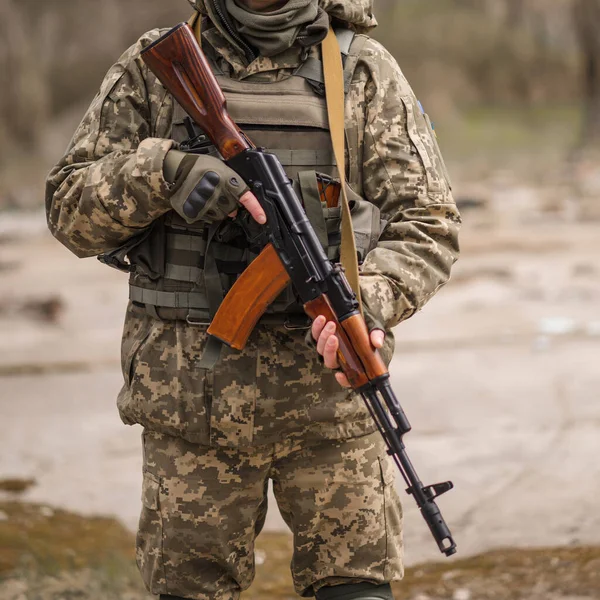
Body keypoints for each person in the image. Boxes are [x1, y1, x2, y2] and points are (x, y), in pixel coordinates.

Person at [45, 0, 460, 598]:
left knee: (357, 591)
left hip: (333, 405)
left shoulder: (360, 70)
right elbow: (67, 209)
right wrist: (162, 173)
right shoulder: (155, 66)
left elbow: (429, 220)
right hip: (190, 405)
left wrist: (366, 300)